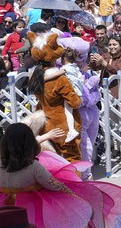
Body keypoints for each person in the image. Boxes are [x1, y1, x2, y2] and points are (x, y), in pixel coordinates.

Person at [27, 30, 83, 161]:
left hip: (46, 124)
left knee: (52, 158)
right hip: (63, 125)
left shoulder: (35, 77)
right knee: (72, 157)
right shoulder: (59, 79)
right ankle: (71, 182)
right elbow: (75, 102)